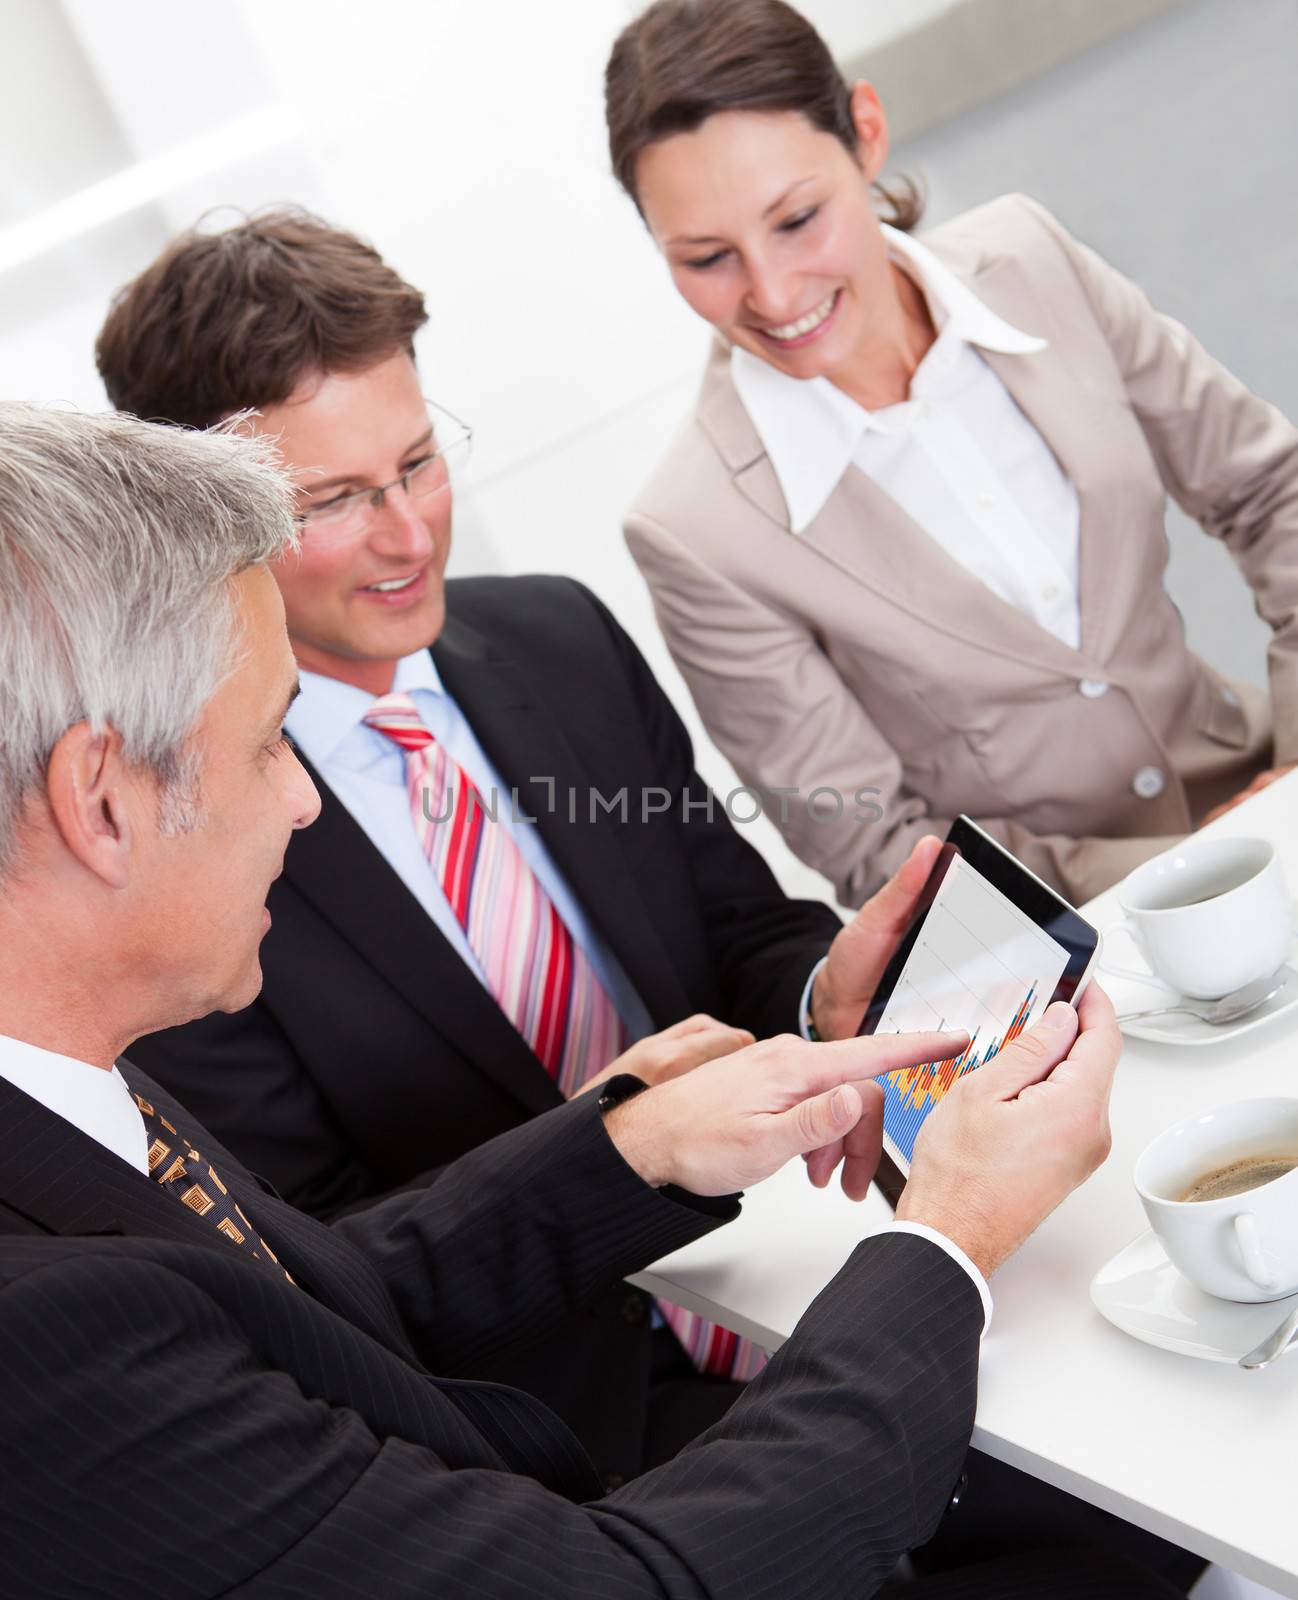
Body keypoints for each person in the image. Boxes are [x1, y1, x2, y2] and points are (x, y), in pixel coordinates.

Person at [0, 400, 1177, 1600]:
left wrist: (628, 1145)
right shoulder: (45, 1337)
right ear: (102, 800)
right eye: (263, 745)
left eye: (415, 464)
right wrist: (947, 1237)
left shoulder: (59, 1086)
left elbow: (319, 1309)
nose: (300, 799)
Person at [94, 208, 886, 1481]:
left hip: (804, 1267)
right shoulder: (184, 842)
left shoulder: (554, 640)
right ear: (203, 525)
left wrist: (820, 985)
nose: (411, 534)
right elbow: (312, 1250)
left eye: (418, 462)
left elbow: (735, 926)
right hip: (568, 1427)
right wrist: (611, 1159)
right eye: (337, 500)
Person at [607, 0, 1298, 910]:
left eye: (798, 218)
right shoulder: (697, 529)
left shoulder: (1031, 259)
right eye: (706, 259)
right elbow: (875, 848)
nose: (774, 294)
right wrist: (1201, 866)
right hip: (1077, 949)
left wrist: (1289, 783)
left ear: (866, 131)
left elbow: (1269, 491)